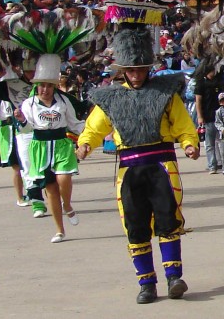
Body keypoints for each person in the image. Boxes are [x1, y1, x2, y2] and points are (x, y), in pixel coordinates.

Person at [75, 27, 199, 304]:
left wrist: (189, 143)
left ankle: (174, 277)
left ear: (148, 69)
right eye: (131, 70)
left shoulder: (166, 94)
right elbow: (94, 129)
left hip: (163, 165)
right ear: (123, 71)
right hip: (129, 168)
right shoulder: (111, 98)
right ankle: (146, 284)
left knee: (169, 220)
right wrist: (85, 144)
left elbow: (183, 125)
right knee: (135, 224)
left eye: (141, 69)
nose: (136, 75)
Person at [16, 66, 86, 243]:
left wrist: (86, 138)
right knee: (51, 190)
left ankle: (68, 205)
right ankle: (59, 230)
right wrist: (21, 119)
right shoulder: (29, 104)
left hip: (61, 145)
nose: (45, 90)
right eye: (41, 86)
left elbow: (74, 123)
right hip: (40, 147)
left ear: (54, 86)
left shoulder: (63, 102)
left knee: (64, 179)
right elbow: (27, 127)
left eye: (49, 86)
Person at [194, 63, 224, 173]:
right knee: (209, 144)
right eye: (212, 70)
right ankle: (212, 165)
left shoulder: (218, 82)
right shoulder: (200, 84)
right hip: (207, 117)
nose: (214, 72)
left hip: (219, 117)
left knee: (222, 142)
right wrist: (199, 116)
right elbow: (198, 101)